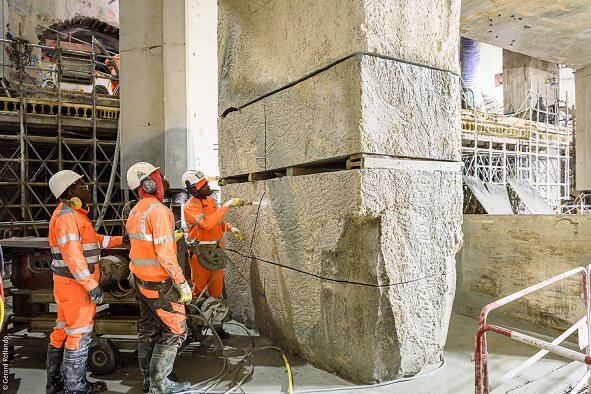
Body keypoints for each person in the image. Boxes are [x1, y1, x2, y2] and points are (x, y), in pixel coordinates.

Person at [46, 170, 123, 394]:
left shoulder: (74, 215)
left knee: (62, 331)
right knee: (79, 334)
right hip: (76, 285)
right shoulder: (68, 217)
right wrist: (92, 285)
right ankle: (75, 388)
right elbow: (74, 256)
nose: (87, 188)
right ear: (71, 192)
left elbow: (95, 240)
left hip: (66, 284)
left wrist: (121, 239)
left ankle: (56, 383)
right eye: (82, 185)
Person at [125, 162, 192, 394]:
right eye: (160, 177)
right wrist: (182, 282)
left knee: (149, 328)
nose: (166, 182)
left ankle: (149, 380)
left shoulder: (136, 210)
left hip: (141, 281)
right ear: (149, 183)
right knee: (175, 330)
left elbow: (144, 244)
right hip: (160, 283)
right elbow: (165, 254)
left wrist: (168, 236)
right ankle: (160, 385)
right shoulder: (159, 211)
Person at [181, 170, 243, 338]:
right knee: (199, 291)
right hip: (200, 254)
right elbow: (207, 224)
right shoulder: (190, 208)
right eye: (203, 186)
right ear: (193, 190)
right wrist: (227, 205)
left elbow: (217, 221)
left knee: (216, 291)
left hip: (215, 253)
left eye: (206, 184)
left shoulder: (211, 201)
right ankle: (196, 326)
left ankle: (217, 326)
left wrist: (230, 228)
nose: (208, 187)